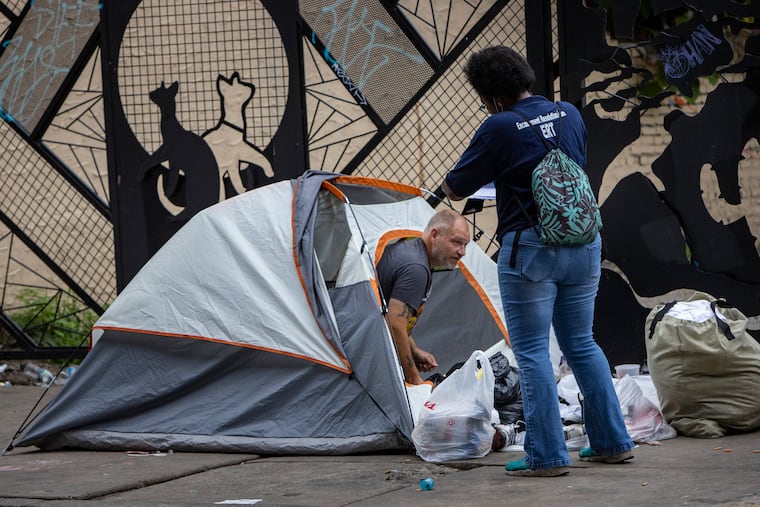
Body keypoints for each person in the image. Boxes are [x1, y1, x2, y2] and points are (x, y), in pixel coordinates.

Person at [441, 45, 634, 477]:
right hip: (583, 244)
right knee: (582, 343)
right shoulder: (569, 113)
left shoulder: (498, 126)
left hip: (529, 250)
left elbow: (456, 187)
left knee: (530, 353)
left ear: (489, 93)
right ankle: (612, 442)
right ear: (525, 77)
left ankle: (546, 456)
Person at [377, 209, 470, 385]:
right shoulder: (416, 268)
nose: (462, 252)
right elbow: (395, 324)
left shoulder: (413, 253)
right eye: (457, 242)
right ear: (435, 234)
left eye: (465, 245)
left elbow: (389, 315)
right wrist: (414, 379)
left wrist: (414, 350)